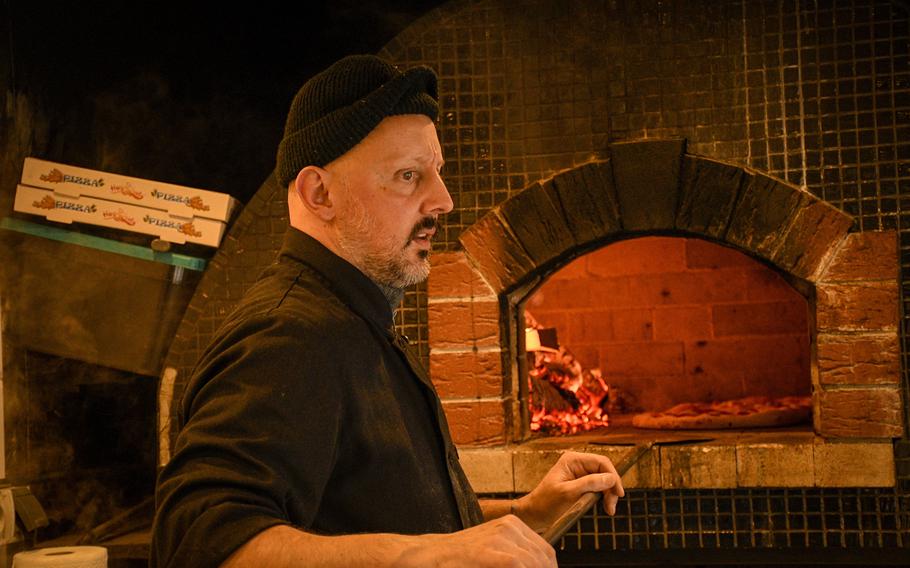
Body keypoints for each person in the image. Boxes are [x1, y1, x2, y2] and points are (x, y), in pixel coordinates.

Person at [150, 54, 624, 568]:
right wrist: (433, 556)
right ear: (320, 192)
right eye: (407, 176)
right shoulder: (288, 335)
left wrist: (524, 515)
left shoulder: (358, 318)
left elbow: (387, 522)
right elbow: (194, 543)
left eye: (437, 173)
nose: (443, 200)